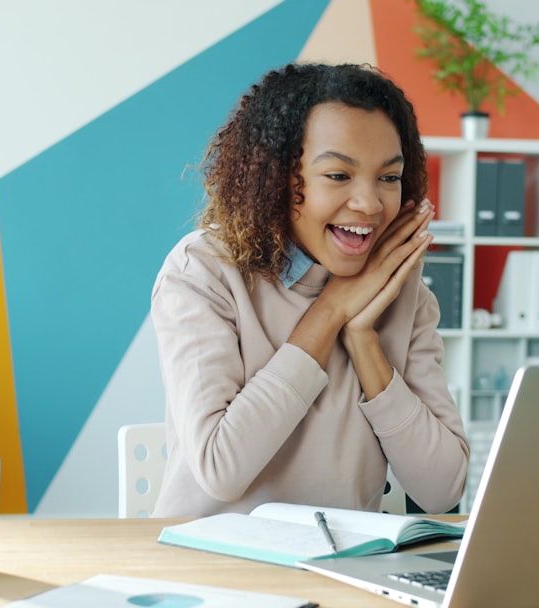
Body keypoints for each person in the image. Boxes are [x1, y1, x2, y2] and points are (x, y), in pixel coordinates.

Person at [150, 62, 469, 518]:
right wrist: (332, 309)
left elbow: (443, 490)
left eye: (389, 177)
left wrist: (363, 340)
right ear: (277, 177)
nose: (370, 203)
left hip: (343, 568)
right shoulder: (202, 272)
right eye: (338, 176)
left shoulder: (402, 293)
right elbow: (221, 468)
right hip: (216, 570)